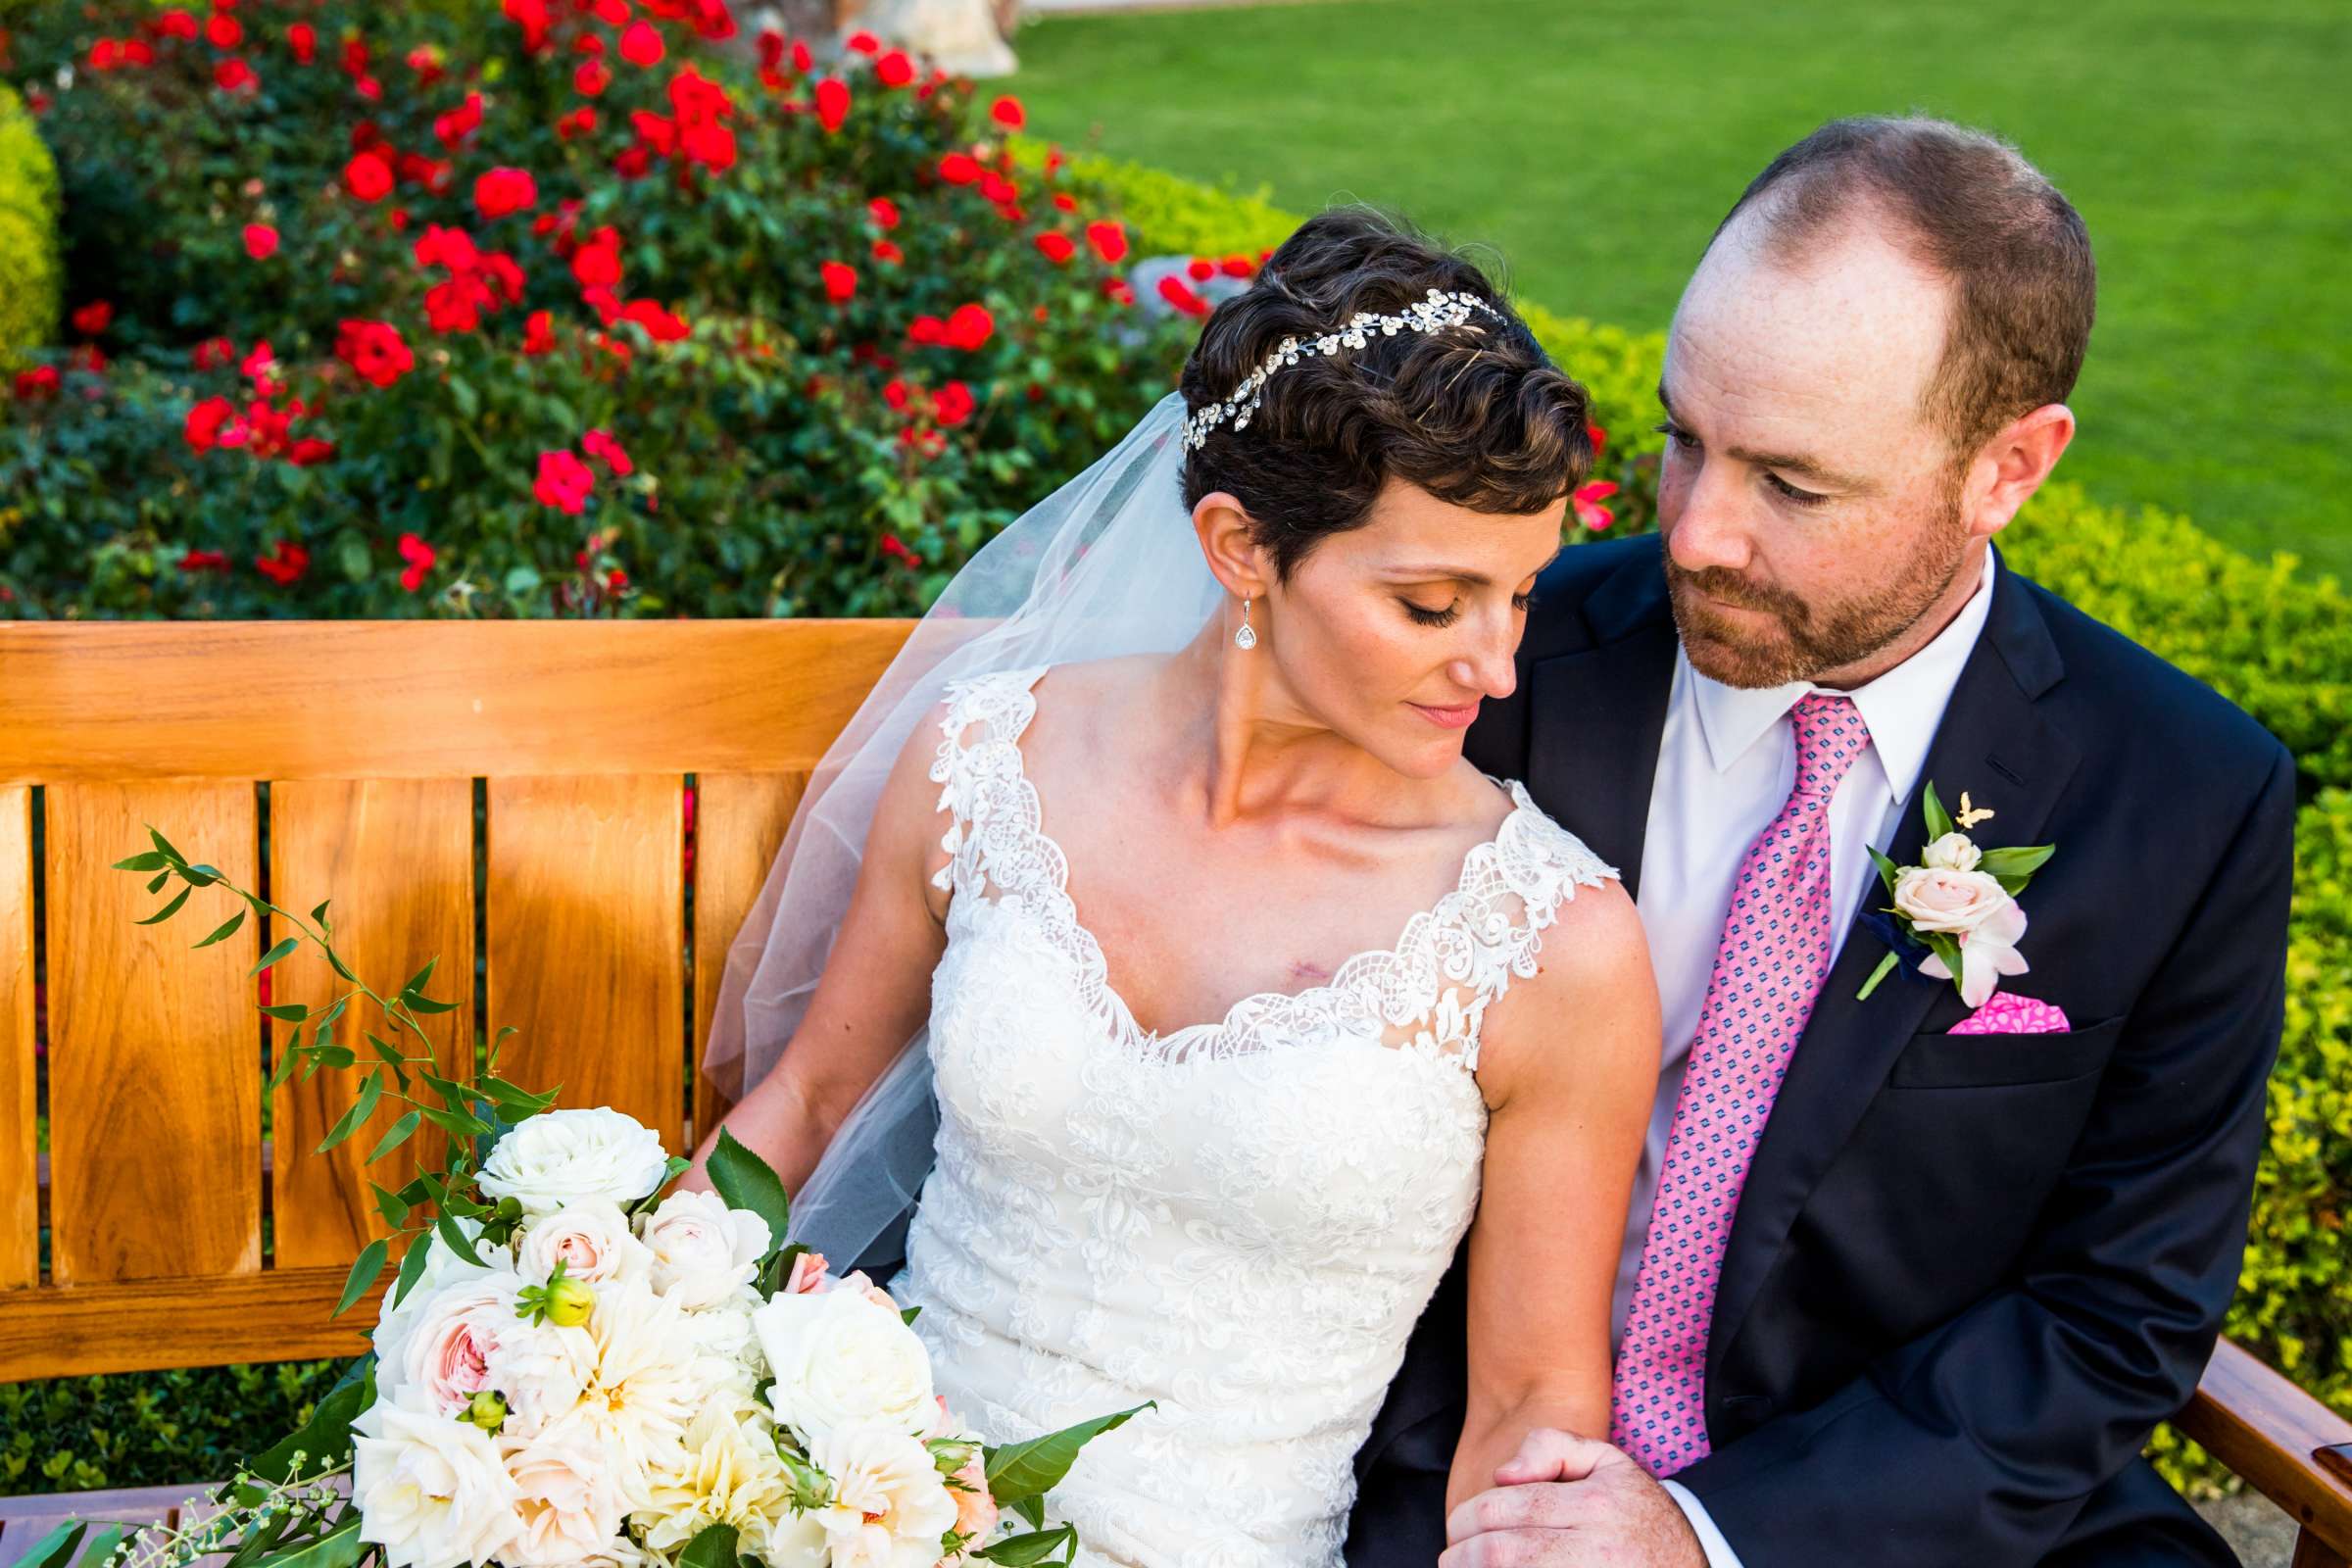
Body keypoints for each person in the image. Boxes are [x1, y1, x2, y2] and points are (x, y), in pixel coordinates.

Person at [1370, 117, 2296, 1568]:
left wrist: (1707, 1536)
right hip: (1461, 1479)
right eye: (1684, 438)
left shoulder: (2184, 797)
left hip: (1900, 1514)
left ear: (2009, 468)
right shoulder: (1499, 676)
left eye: (1792, 485)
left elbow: (2119, 1310)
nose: (1697, 535)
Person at [689, 209, 1664, 1566]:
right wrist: (602, 1347)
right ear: (1239, 548)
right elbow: (801, 1107)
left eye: (1522, 599)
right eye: (1435, 607)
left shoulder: (1552, 946)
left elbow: (1528, 1411)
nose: (1495, 669)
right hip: (858, 1514)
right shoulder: (988, 756)